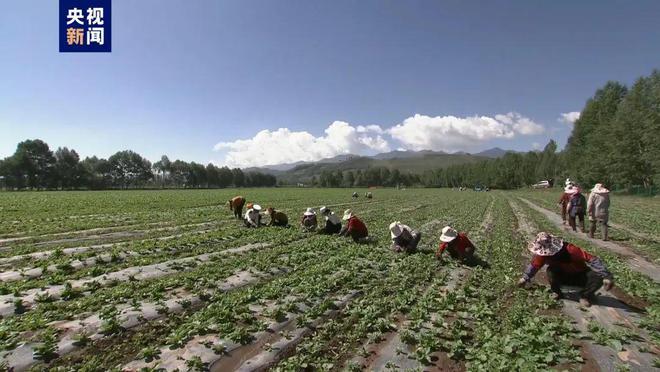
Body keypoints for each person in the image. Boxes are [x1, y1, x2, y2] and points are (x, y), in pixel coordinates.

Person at [518, 232, 614, 306]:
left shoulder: (570, 249)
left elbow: (592, 259)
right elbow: (534, 266)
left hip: (580, 275)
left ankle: (584, 295)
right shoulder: (542, 255)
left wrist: (606, 275)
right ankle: (557, 292)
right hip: (563, 277)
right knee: (551, 271)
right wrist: (525, 278)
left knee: (598, 277)